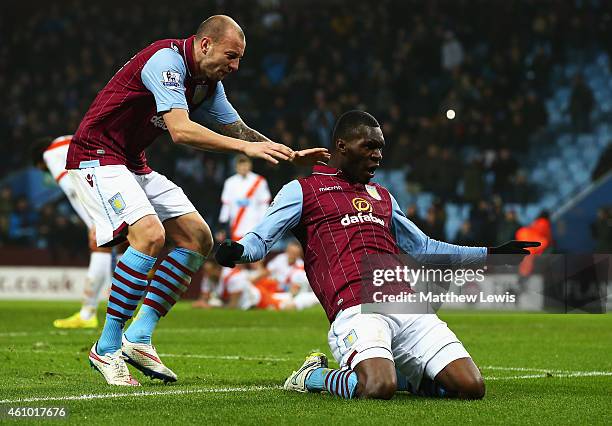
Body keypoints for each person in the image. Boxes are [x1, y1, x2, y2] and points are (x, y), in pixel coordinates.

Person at [66, 15, 328, 386]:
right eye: (231, 56)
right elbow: (181, 130)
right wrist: (245, 148)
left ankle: (138, 337)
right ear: (205, 45)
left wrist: (287, 153)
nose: (235, 67)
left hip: (130, 163)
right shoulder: (166, 61)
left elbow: (237, 129)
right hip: (95, 155)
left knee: (197, 238)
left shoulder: (206, 83)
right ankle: (106, 347)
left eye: (239, 60)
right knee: (150, 236)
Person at [216, 110, 538, 400]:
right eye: (369, 146)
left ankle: (406, 377)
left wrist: (489, 255)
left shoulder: (382, 196)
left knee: (471, 387)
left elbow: (424, 248)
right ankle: (312, 376)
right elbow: (261, 239)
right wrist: (239, 250)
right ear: (342, 146)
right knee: (377, 388)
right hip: (356, 308)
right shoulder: (303, 190)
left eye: (380, 147)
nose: (377, 155)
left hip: (407, 304)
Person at [32, 135, 118, 329]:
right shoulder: (66, 140)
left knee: (100, 245)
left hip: (100, 194)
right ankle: (124, 309)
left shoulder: (50, 154)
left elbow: (72, 189)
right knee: (122, 246)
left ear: (39, 162)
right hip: (117, 181)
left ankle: (87, 313)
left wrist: (92, 223)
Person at [219, 155, 271, 241]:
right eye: (241, 165)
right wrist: (222, 225)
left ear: (250, 165)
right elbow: (226, 206)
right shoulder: (229, 182)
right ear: (236, 167)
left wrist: (263, 224)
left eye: (245, 165)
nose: (243, 168)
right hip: (236, 225)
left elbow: (264, 204)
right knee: (237, 252)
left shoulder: (259, 181)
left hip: (254, 225)